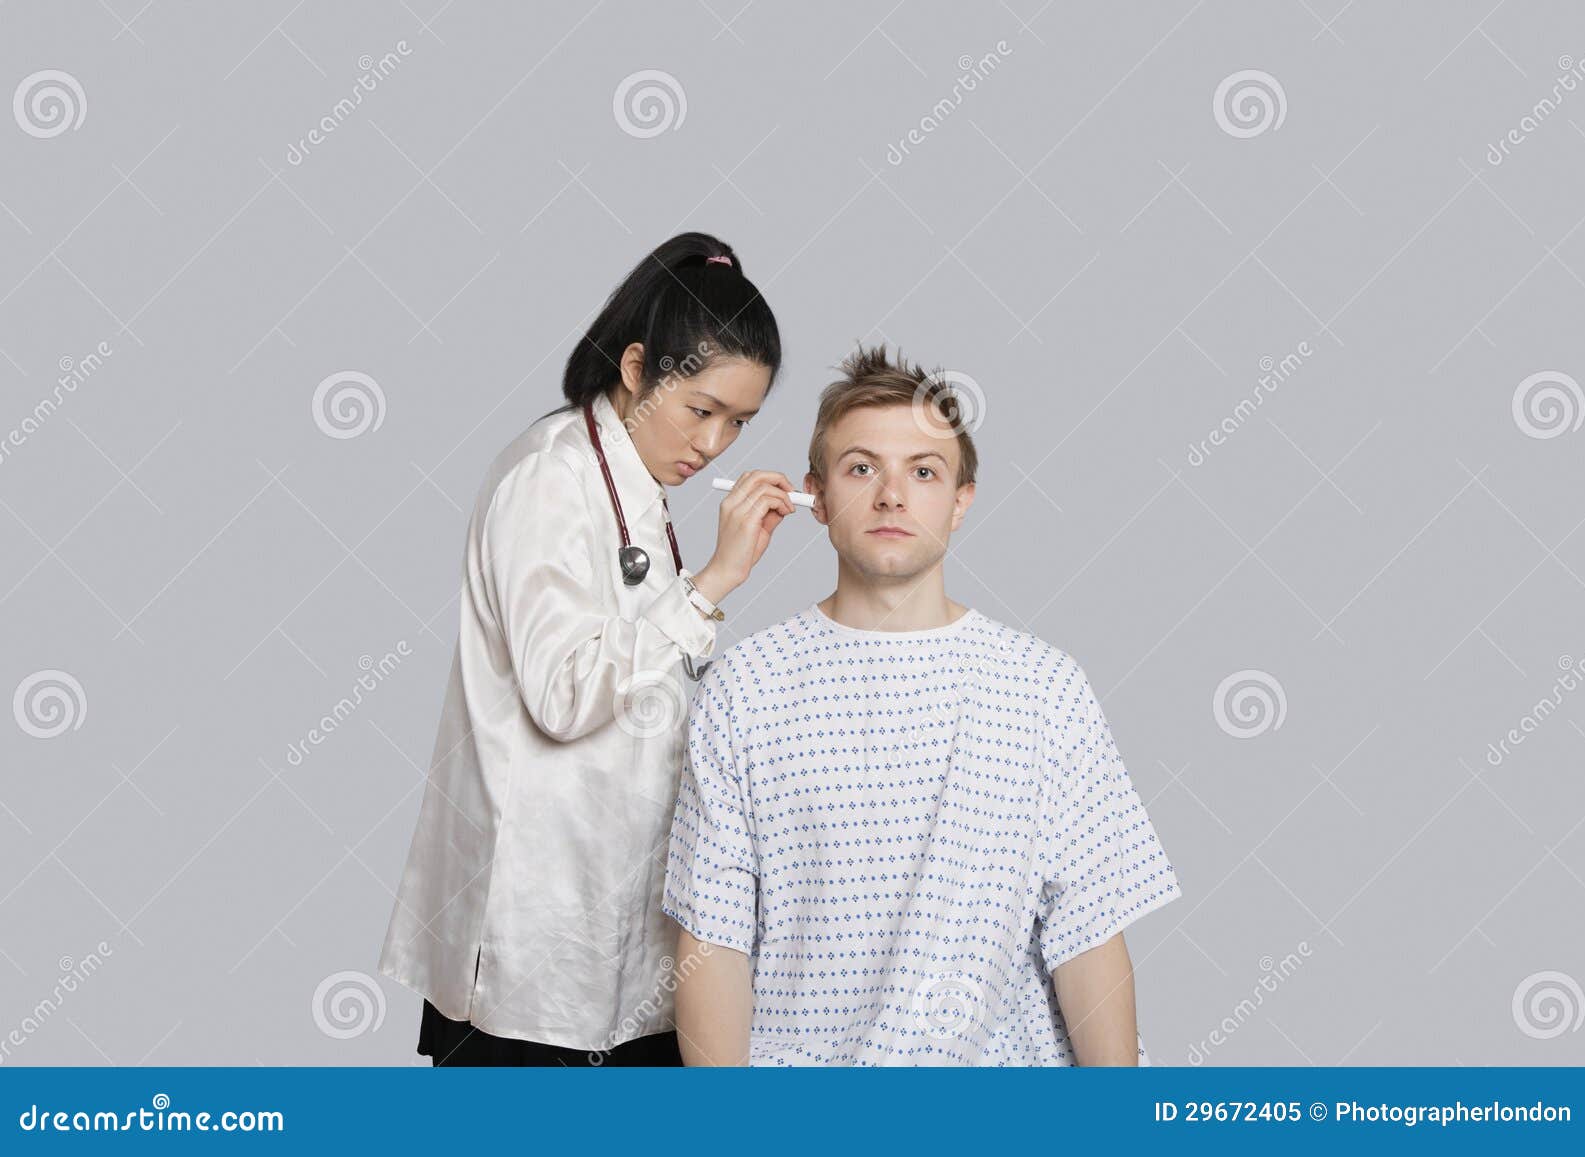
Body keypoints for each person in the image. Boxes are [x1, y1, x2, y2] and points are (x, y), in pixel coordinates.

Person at [661, 344, 1182, 1065]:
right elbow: (712, 941)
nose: (892, 496)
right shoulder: (746, 685)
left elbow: (1088, 932)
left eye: (925, 471)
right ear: (815, 493)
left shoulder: (1043, 688)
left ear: (961, 499)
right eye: (861, 467)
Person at [377, 231, 802, 1066]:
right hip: (529, 965)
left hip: (625, 949)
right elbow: (564, 694)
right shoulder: (550, 476)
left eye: (740, 422)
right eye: (701, 410)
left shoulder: (636, 489)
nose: (715, 444)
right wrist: (712, 583)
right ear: (638, 368)